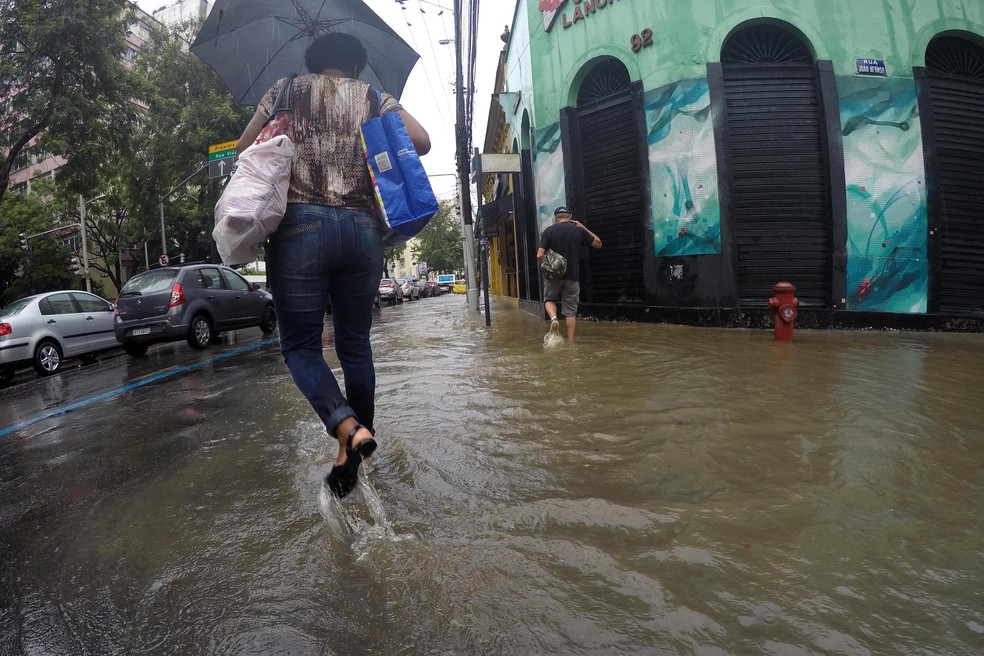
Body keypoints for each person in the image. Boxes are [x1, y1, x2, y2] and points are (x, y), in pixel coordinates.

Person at [236, 33, 431, 498]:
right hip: (363, 231)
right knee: (355, 345)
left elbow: (245, 151)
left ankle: (344, 426)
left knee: (301, 347)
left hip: (299, 228)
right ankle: (355, 444)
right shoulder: (373, 96)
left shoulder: (283, 91)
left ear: (312, 61)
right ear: (357, 65)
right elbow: (421, 141)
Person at [536, 206, 602, 342]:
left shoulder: (549, 231)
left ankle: (554, 319)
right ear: (570, 217)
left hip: (553, 276)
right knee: (570, 312)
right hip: (573, 276)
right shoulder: (578, 231)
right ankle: (571, 342)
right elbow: (598, 244)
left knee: (549, 300)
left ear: (555, 218)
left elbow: (539, 255)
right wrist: (583, 227)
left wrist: (549, 267)